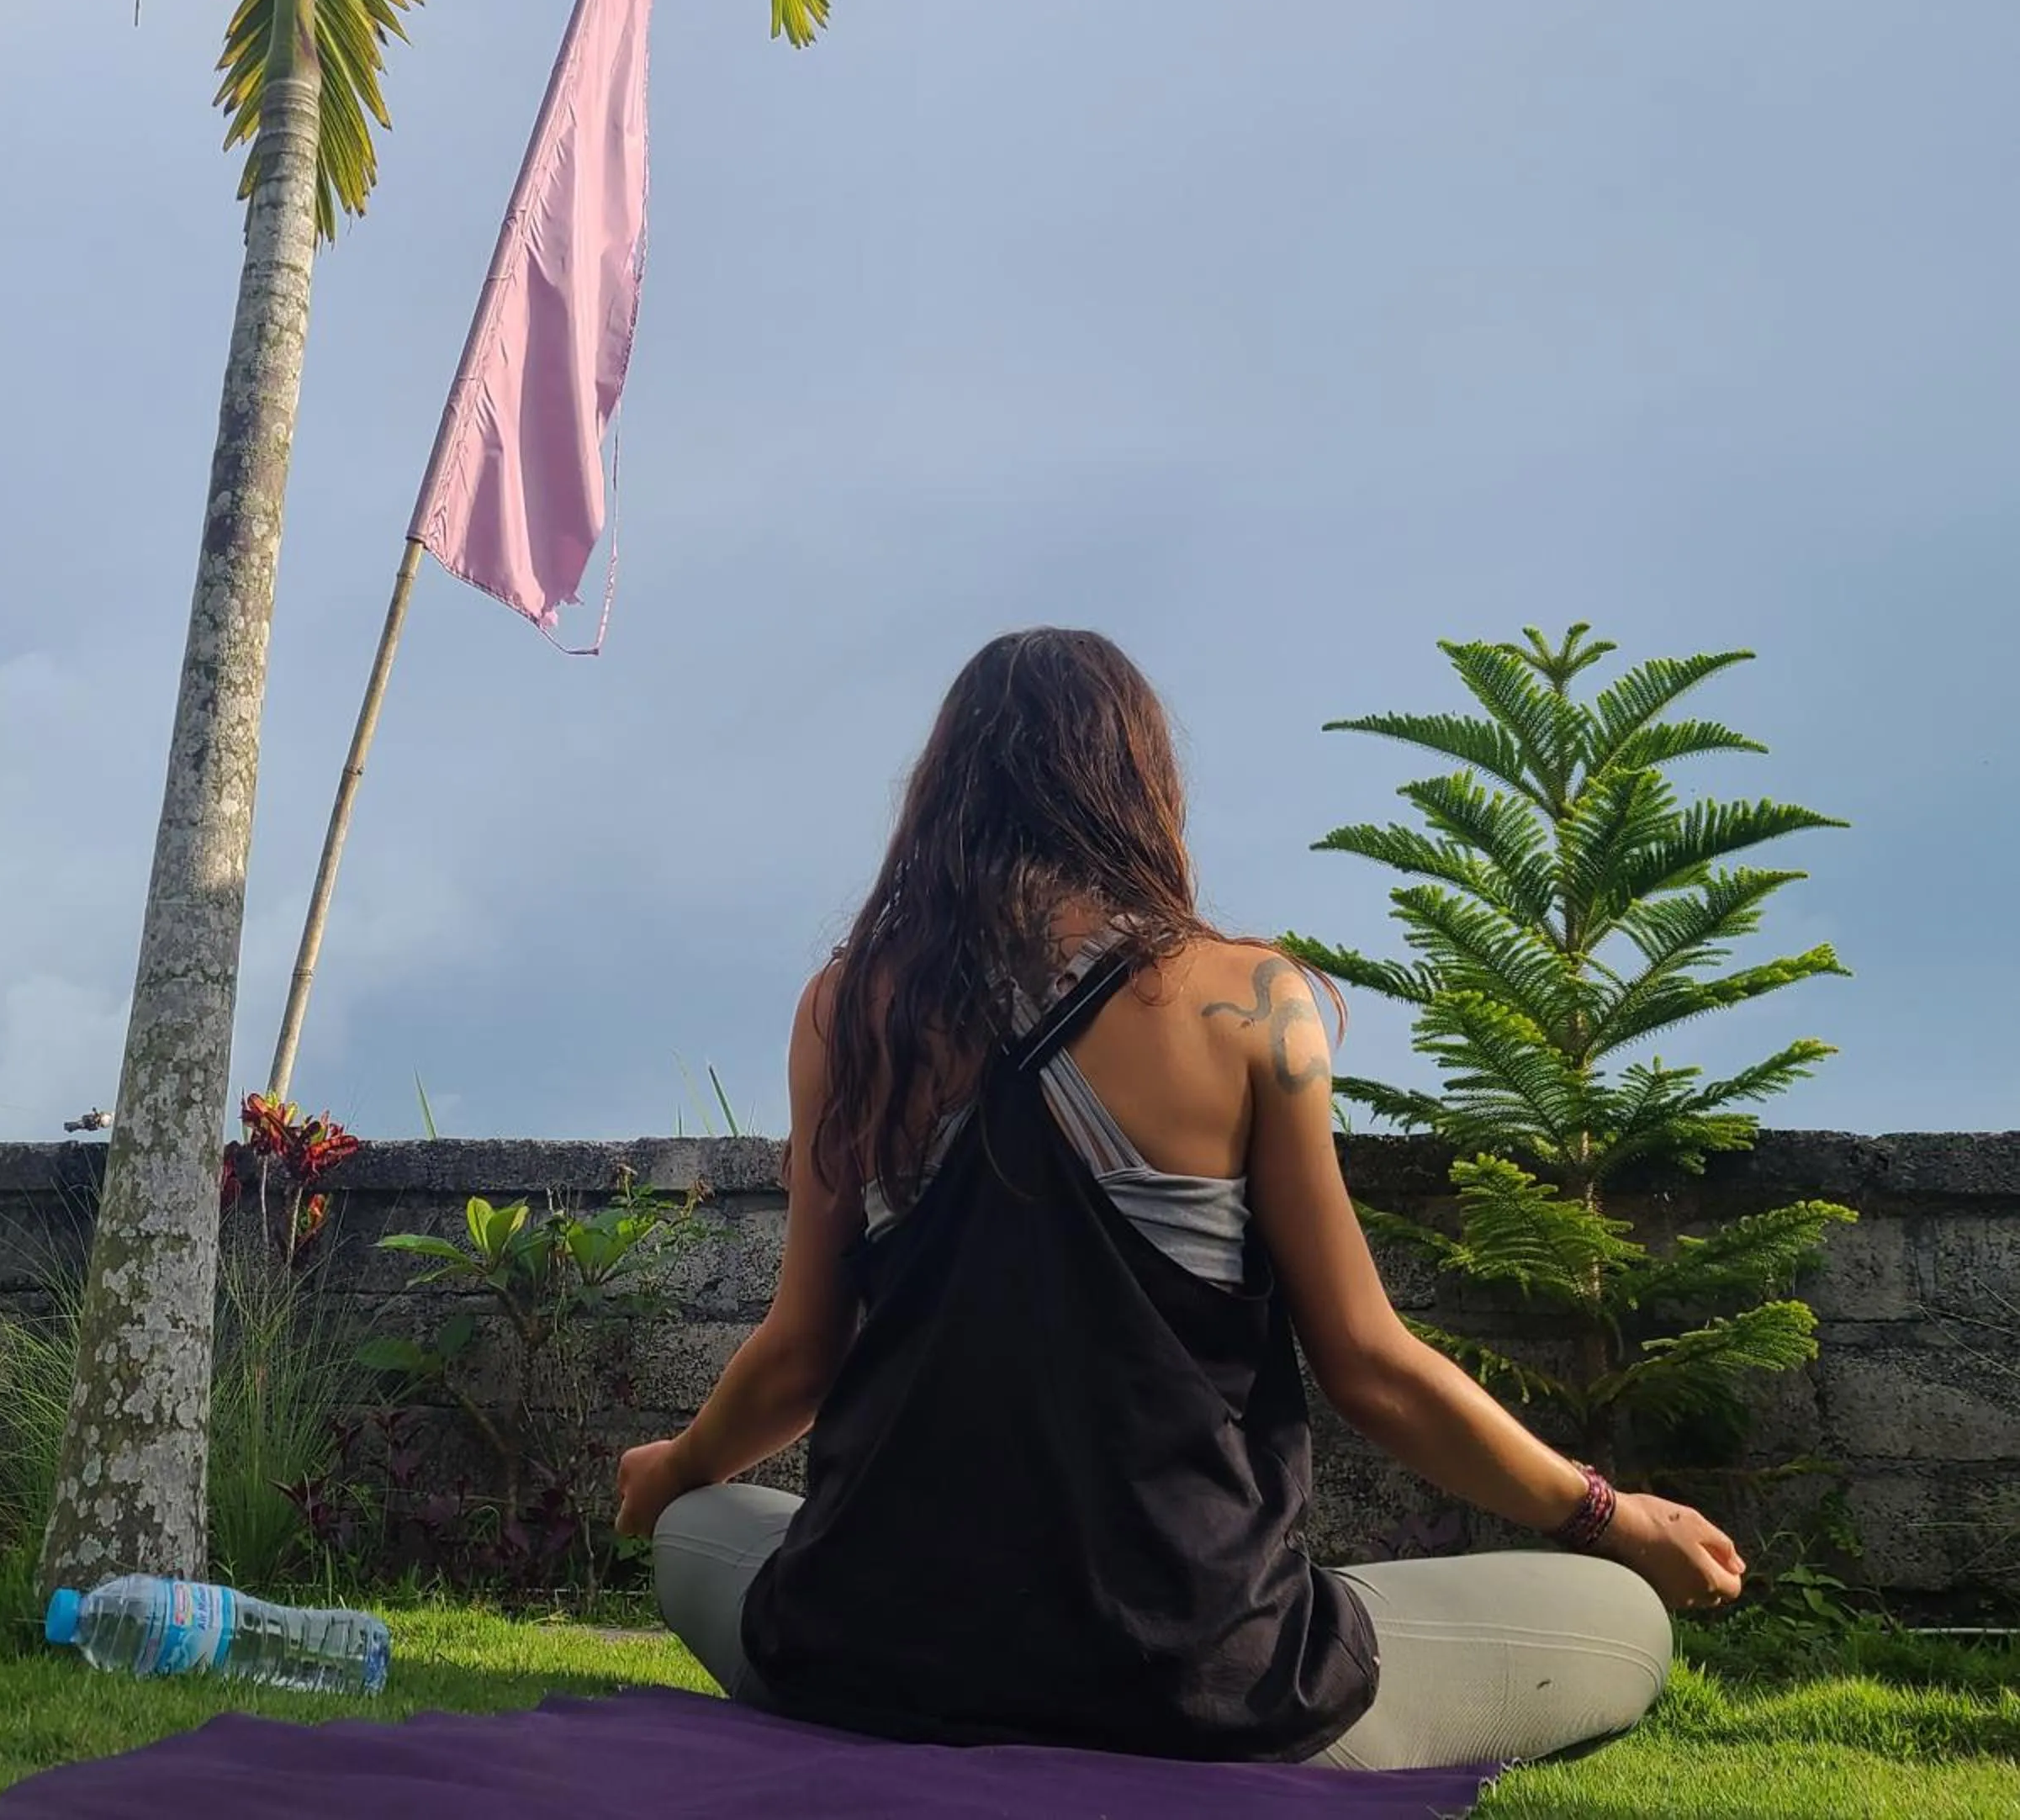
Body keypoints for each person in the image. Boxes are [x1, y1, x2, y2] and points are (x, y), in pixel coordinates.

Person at [615, 629, 1743, 1771]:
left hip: (867, 1666)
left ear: (946, 789)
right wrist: (1612, 1516)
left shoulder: (846, 1010)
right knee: (1626, 1621)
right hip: (1196, 1691)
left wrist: (672, 1471)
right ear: (1138, 786)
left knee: (702, 1526)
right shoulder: (1251, 1000)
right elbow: (1369, 1364)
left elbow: (799, 1354)